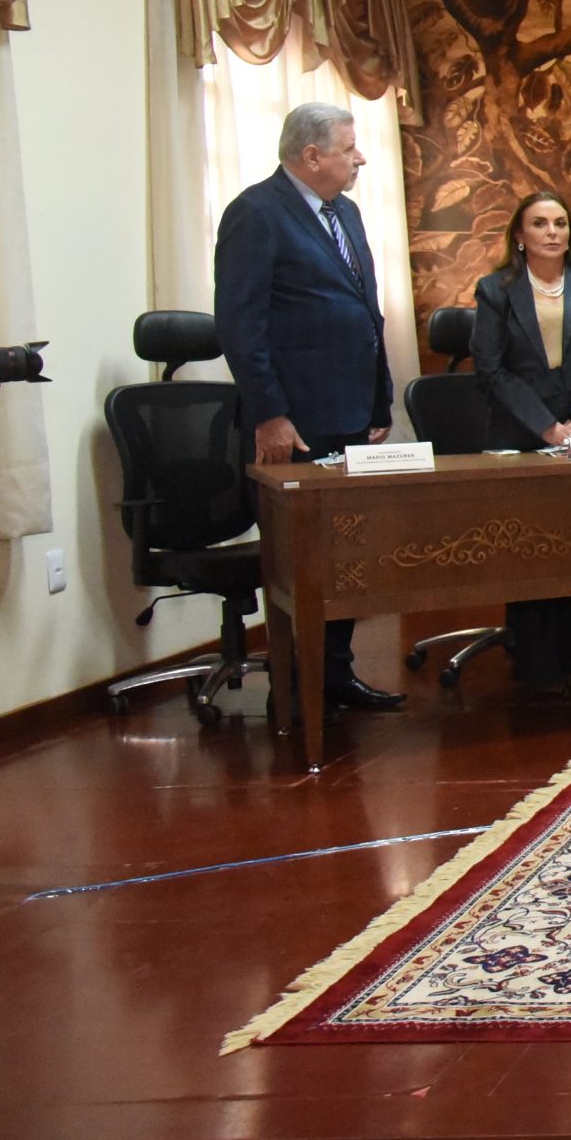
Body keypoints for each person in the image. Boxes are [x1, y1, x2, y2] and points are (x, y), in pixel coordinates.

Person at [213, 101, 403, 711]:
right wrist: (270, 413)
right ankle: (295, 691)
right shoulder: (255, 214)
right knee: (301, 561)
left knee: (345, 554)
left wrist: (379, 400)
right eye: (351, 148)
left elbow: (364, 310)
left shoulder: (344, 212)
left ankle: (336, 676)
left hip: (349, 412)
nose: (362, 158)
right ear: (311, 154)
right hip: (293, 422)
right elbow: (241, 326)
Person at [471, 191, 571, 691]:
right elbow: (491, 370)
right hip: (521, 432)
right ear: (520, 234)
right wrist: (546, 428)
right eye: (539, 224)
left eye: (561, 222)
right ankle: (538, 662)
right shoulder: (496, 289)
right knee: (532, 546)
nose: (552, 232)